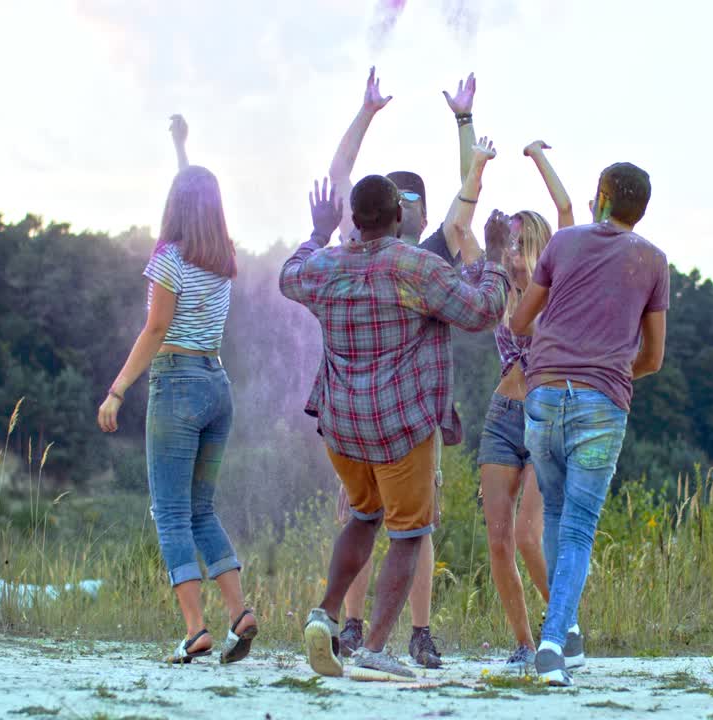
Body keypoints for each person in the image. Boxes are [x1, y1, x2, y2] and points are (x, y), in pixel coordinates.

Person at [282, 175, 509, 681]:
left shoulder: (327, 265)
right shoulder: (416, 267)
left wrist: (319, 232)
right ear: (398, 217)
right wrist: (493, 257)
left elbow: (288, 275)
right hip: (400, 426)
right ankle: (375, 649)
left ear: (352, 219)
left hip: (342, 426)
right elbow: (483, 311)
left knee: (364, 517)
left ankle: (326, 615)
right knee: (408, 534)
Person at [324, 67, 483, 668]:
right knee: (363, 518)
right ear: (388, 212)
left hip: (410, 411)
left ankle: (415, 630)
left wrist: (465, 123)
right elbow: (339, 179)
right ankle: (356, 627)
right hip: (371, 411)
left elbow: (469, 195)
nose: (407, 207)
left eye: (413, 198)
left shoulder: (433, 252)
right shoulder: (359, 249)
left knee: (413, 526)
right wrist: (364, 113)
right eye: (399, 199)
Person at [96, 114, 256, 665]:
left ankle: (195, 630)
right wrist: (182, 148)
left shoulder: (168, 260)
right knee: (200, 509)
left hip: (177, 388)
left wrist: (117, 389)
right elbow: (198, 201)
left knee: (169, 512)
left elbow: (155, 329)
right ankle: (240, 614)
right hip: (218, 387)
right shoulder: (223, 256)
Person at [510, 162, 668, 687]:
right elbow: (653, 358)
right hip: (601, 402)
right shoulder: (653, 261)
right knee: (577, 526)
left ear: (601, 198)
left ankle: (568, 631)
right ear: (640, 210)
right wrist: (614, 370)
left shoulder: (564, 243)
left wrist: (559, 335)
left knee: (556, 514)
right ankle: (552, 645)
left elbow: (519, 323)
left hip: (544, 394)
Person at [476, 139, 576, 673]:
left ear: (535, 245)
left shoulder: (554, 286)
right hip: (500, 416)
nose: (510, 253)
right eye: (506, 245)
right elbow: (458, 232)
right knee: (497, 540)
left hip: (545, 417)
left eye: (518, 244)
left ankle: (564, 627)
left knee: (528, 536)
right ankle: (522, 644)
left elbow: (565, 212)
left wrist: (537, 156)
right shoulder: (495, 287)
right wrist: (476, 159)